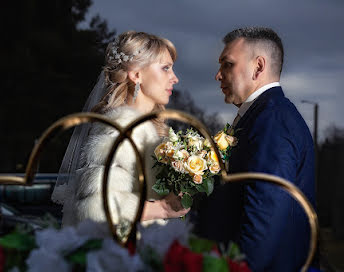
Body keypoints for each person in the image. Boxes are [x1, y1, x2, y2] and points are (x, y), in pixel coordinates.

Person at [193, 27, 316, 271]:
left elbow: (263, 222)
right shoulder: (264, 116)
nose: (218, 75)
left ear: (258, 66)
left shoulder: (273, 122)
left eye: (227, 64)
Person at [52, 31, 189, 227]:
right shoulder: (122, 127)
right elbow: (97, 209)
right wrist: (163, 208)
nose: (174, 78)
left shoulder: (144, 128)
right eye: (165, 68)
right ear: (136, 75)